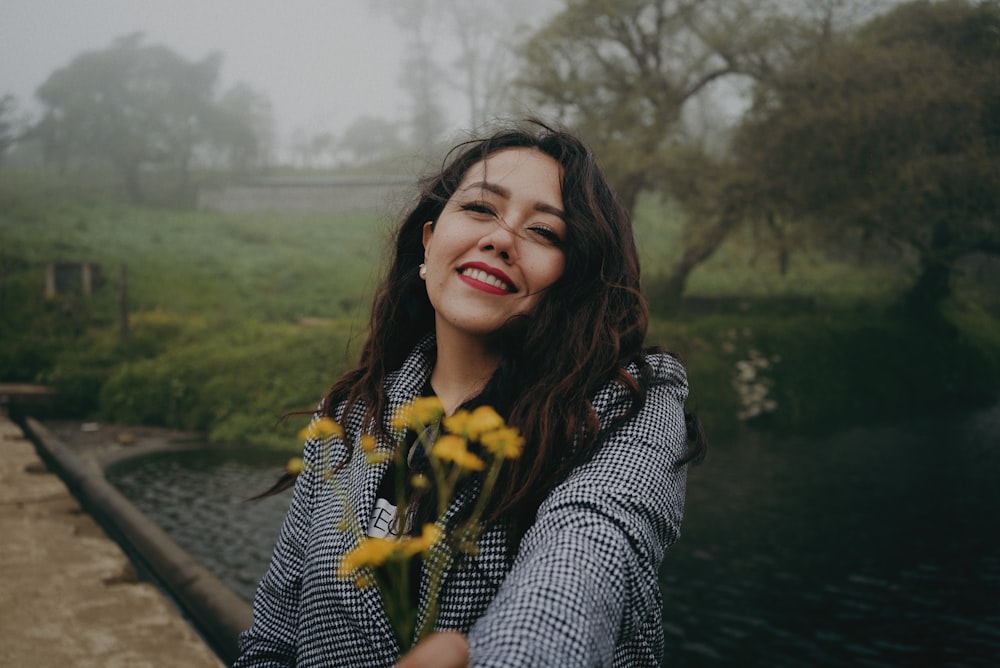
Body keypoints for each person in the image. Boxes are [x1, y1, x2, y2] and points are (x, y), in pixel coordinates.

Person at [234, 119, 706, 667]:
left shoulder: (627, 407)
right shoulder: (347, 417)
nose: (501, 238)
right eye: (481, 208)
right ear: (430, 240)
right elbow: (272, 640)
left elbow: (581, 564)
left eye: (544, 232)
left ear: (571, 277)